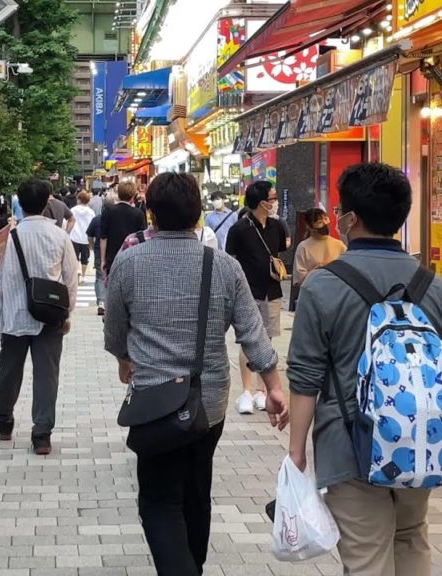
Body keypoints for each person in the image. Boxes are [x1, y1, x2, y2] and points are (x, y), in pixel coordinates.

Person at [287, 163, 442, 576]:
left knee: (367, 557)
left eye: (339, 210)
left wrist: (296, 453)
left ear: (350, 219)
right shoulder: (435, 286)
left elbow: (305, 378)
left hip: (349, 444)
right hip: (419, 441)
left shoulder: (323, 285)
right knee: (410, 538)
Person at [103, 172, 289, 576]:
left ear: (150, 213)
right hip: (209, 399)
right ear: (198, 213)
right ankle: (195, 565)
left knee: (158, 499)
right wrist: (274, 387)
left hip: (153, 398)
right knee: (196, 488)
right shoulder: (222, 265)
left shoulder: (129, 261)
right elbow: (252, 334)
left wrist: (123, 358)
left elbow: (115, 327)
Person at [0, 179, 79, 455]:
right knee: (47, 375)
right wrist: (67, 312)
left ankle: (3, 422)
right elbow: (70, 279)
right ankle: (42, 433)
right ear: (48, 200)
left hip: (14, 315)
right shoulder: (60, 235)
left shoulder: (6, 236)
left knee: (9, 371)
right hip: (49, 317)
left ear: (20, 203)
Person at [225, 180, 289, 414]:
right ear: (262, 202)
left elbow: (280, 250)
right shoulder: (239, 229)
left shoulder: (277, 226)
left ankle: (263, 390)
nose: (274, 202)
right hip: (247, 292)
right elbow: (230, 257)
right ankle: (247, 391)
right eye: (272, 198)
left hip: (272, 290)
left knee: (268, 340)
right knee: (248, 340)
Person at [100, 181, 146, 280]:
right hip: (132, 257)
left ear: (119, 194)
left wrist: (103, 260)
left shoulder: (108, 211)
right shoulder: (138, 213)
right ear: (133, 195)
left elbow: (103, 237)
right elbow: (142, 237)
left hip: (112, 257)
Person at [292, 208, 346, 287]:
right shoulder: (303, 247)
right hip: (312, 292)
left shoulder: (340, 245)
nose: (325, 223)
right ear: (310, 227)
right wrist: (316, 270)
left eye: (325, 219)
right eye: (319, 222)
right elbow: (299, 281)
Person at [69, 190, 96, 274]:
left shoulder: (73, 210)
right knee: (85, 258)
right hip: (86, 238)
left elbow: (69, 221)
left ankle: (77, 272)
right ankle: (83, 275)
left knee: (74, 257)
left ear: (79, 200)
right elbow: (93, 225)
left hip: (74, 237)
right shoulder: (91, 212)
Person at [86, 210, 106, 316]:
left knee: (99, 277)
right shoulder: (117, 218)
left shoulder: (96, 219)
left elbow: (89, 236)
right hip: (114, 251)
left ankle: (101, 302)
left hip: (99, 252)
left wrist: (92, 247)